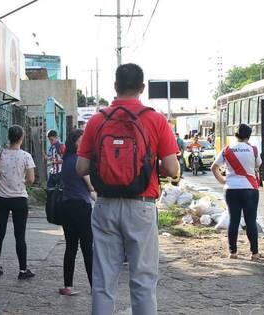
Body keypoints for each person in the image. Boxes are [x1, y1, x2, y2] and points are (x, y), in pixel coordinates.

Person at [76, 63, 179, 315]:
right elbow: (172, 168)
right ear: (142, 88)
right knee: (143, 281)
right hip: (141, 206)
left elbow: (81, 168)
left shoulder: (97, 120)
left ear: (115, 87)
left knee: (103, 282)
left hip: (105, 206)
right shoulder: (155, 119)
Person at [0, 125, 36, 280]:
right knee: (20, 236)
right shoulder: (26, 156)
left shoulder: (0, 153)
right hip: (20, 199)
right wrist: (22, 184)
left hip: (1, 199)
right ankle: (23, 271)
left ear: (9, 137)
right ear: (22, 138)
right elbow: (31, 179)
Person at [211, 124, 261, 260]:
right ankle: (254, 253)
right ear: (249, 136)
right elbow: (258, 165)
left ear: (235, 135)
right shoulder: (254, 150)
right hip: (250, 188)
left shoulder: (227, 150)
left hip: (231, 189)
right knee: (251, 221)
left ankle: (233, 252)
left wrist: (222, 180)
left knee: (234, 220)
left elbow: (214, 167)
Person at [59, 128, 95, 296]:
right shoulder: (79, 161)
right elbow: (90, 185)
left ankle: (68, 286)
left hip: (66, 207)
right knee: (88, 247)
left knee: (71, 247)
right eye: (82, 139)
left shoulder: (66, 159)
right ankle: (95, 287)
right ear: (75, 142)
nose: (84, 142)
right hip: (81, 206)